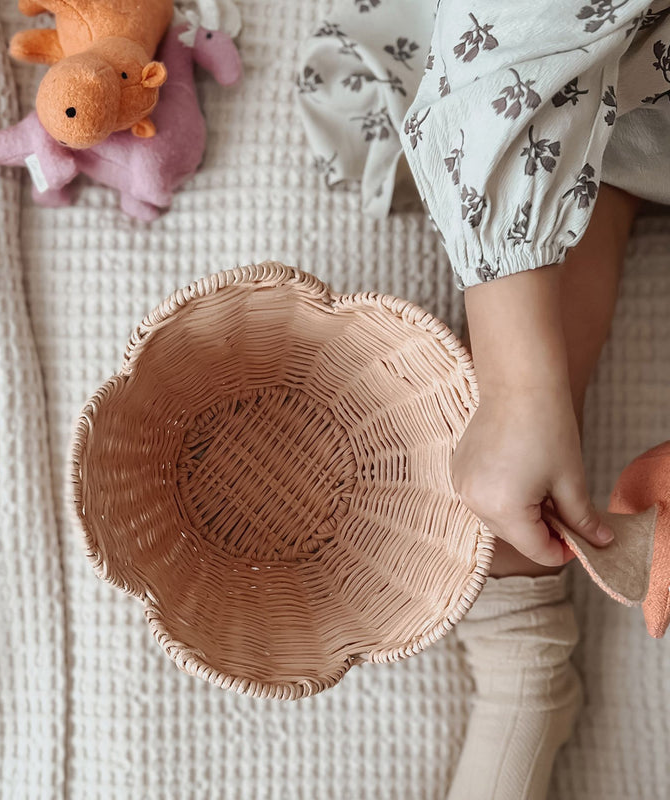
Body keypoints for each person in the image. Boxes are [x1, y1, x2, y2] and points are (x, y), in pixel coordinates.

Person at [296, 2, 670, 798]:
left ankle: (527, 663)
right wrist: (516, 380)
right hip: (570, 71)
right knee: (564, 181)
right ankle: (526, 655)